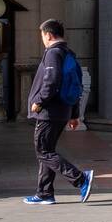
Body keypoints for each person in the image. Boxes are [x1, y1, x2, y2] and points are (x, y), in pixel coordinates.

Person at [24, 19, 94, 205]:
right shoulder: (68, 53)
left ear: (48, 35)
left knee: (43, 151)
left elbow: (52, 81)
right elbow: (76, 85)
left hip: (49, 111)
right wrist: (74, 114)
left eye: (42, 36)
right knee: (47, 152)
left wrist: (39, 101)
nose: (43, 40)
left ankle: (80, 179)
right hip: (62, 110)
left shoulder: (53, 53)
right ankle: (45, 193)